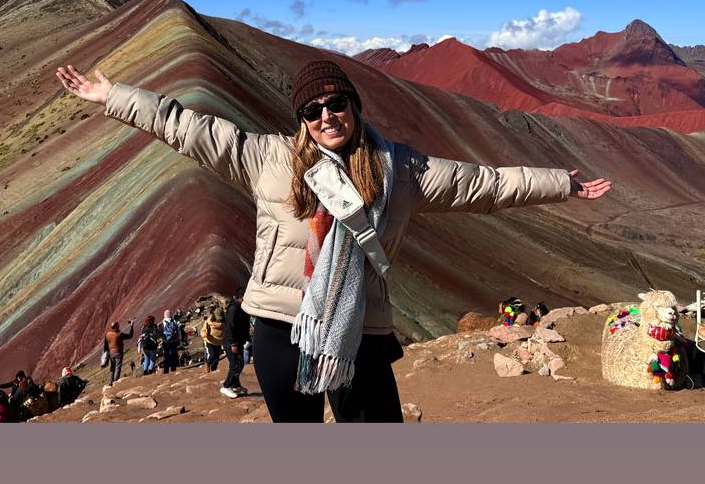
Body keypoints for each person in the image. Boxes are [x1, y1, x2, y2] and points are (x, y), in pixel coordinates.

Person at [55, 59, 612, 424]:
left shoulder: (399, 169)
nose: (327, 117)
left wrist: (562, 183)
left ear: (355, 107)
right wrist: (114, 96)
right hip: (278, 327)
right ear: (301, 120)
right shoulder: (268, 158)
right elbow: (188, 127)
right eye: (313, 110)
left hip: (362, 331)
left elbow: (481, 184)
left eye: (336, 105)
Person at [220, 290, 249, 399]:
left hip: (239, 340)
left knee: (240, 363)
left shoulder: (242, 308)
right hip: (231, 342)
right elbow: (230, 328)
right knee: (235, 364)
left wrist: (247, 338)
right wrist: (233, 343)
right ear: (242, 297)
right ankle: (226, 386)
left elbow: (243, 326)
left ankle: (236, 385)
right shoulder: (234, 309)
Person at [104, 319, 134, 384]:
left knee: (112, 367)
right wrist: (131, 326)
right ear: (116, 326)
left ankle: (110, 381)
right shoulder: (119, 334)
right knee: (118, 367)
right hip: (118, 352)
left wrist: (106, 354)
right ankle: (115, 381)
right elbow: (130, 336)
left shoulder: (107, 334)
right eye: (118, 325)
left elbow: (105, 346)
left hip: (111, 353)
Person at [159, 309, 184, 374]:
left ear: (164, 315)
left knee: (166, 355)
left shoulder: (162, 323)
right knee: (174, 355)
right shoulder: (174, 322)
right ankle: (173, 368)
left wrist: (163, 339)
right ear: (170, 314)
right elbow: (178, 331)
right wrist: (179, 340)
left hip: (166, 342)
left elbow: (160, 333)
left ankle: (166, 369)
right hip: (174, 341)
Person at [201, 305, 225, 372]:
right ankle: (208, 364)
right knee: (212, 354)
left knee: (217, 358)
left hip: (219, 342)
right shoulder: (208, 322)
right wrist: (204, 334)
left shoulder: (224, 323)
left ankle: (213, 370)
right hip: (210, 341)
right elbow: (203, 330)